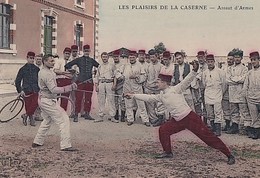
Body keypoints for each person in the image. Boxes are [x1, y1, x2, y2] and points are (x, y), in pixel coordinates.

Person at [124, 61, 235, 165]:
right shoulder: (161, 95)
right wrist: (133, 95)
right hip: (177, 121)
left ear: (164, 83)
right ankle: (167, 152)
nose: (156, 84)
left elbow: (187, 80)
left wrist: (194, 70)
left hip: (190, 118)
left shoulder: (176, 89)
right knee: (163, 130)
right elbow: (148, 97)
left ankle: (229, 155)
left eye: (157, 82)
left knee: (208, 138)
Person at [32, 54, 78, 151]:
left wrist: (67, 75)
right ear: (44, 62)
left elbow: (56, 77)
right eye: (51, 61)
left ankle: (37, 141)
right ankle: (66, 145)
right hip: (47, 100)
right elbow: (53, 89)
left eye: (53, 61)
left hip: (46, 99)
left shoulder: (48, 71)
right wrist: (69, 87)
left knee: (47, 120)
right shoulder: (46, 74)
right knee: (64, 119)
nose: (53, 63)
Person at [65, 44, 99, 122]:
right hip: (80, 82)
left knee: (88, 99)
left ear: (89, 51)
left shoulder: (91, 60)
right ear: (83, 51)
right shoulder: (79, 60)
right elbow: (67, 65)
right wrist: (72, 71)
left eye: (88, 51)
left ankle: (87, 114)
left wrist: (96, 72)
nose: (86, 52)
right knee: (78, 98)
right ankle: (76, 115)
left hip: (89, 82)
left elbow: (99, 67)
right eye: (85, 51)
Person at [226, 49, 251, 135]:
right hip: (232, 93)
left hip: (241, 93)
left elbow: (243, 79)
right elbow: (227, 80)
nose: (236, 59)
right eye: (235, 57)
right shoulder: (230, 68)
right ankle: (234, 127)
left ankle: (248, 127)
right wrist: (237, 79)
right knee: (234, 111)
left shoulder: (245, 68)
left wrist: (234, 79)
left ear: (241, 58)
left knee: (244, 111)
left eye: (238, 57)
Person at [123, 50, 150, 126]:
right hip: (127, 86)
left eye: (133, 57)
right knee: (128, 104)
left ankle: (145, 120)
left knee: (141, 103)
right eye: (130, 57)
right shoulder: (125, 65)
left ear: (136, 57)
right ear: (129, 58)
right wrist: (121, 76)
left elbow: (144, 76)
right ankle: (130, 119)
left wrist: (137, 77)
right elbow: (117, 72)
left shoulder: (140, 66)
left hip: (137, 86)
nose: (132, 59)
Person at [202, 54, 226, 136]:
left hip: (217, 94)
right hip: (208, 94)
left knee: (217, 112)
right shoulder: (204, 73)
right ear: (206, 62)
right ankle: (213, 128)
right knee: (210, 113)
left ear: (214, 62)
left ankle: (218, 130)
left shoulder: (220, 72)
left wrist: (220, 93)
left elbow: (224, 84)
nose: (210, 63)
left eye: (211, 61)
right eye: (208, 62)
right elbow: (204, 84)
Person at [15, 51, 40, 126]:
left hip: (35, 89)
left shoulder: (37, 69)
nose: (32, 60)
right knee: (28, 105)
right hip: (26, 90)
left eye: (33, 58)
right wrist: (20, 90)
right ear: (27, 58)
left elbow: (40, 79)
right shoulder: (22, 69)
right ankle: (31, 118)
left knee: (35, 103)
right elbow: (17, 81)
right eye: (30, 58)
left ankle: (25, 115)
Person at [144, 49, 164, 126]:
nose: (152, 58)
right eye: (150, 57)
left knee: (160, 104)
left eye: (153, 57)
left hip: (158, 88)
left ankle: (160, 119)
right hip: (149, 87)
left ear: (157, 56)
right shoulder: (148, 66)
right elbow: (145, 76)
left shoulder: (161, 66)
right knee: (150, 105)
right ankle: (153, 119)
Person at [94, 52, 117, 122]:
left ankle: (112, 116)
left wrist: (114, 84)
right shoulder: (99, 66)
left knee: (111, 100)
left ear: (108, 58)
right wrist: (96, 86)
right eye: (103, 57)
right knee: (101, 100)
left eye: (106, 57)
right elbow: (97, 76)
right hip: (101, 83)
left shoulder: (112, 65)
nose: (104, 58)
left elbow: (115, 76)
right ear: (101, 58)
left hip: (109, 83)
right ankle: (100, 116)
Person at [242, 51, 260, 139]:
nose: (253, 62)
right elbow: (246, 86)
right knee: (254, 116)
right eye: (252, 60)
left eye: (255, 59)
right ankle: (256, 132)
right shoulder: (249, 73)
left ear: (259, 60)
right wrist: (247, 96)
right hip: (251, 98)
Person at [191, 51, 208, 125]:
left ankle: (205, 122)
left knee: (205, 105)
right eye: (199, 57)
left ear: (205, 57)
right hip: (196, 88)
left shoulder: (207, 66)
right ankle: (198, 122)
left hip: (205, 88)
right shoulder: (196, 66)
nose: (200, 59)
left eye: (202, 57)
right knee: (197, 104)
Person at [221, 51, 235, 131]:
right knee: (225, 108)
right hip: (224, 91)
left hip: (233, 91)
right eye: (228, 59)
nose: (229, 60)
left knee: (233, 109)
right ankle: (227, 124)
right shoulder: (223, 68)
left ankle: (233, 125)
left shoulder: (235, 68)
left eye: (231, 59)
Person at [113, 50, 126, 122]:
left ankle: (123, 116)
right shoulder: (111, 65)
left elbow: (121, 75)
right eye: (114, 57)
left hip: (121, 84)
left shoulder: (123, 65)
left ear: (119, 57)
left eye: (117, 57)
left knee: (122, 101)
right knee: (115, 101)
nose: (115, 58)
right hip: (113, 84)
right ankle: (116, 114)